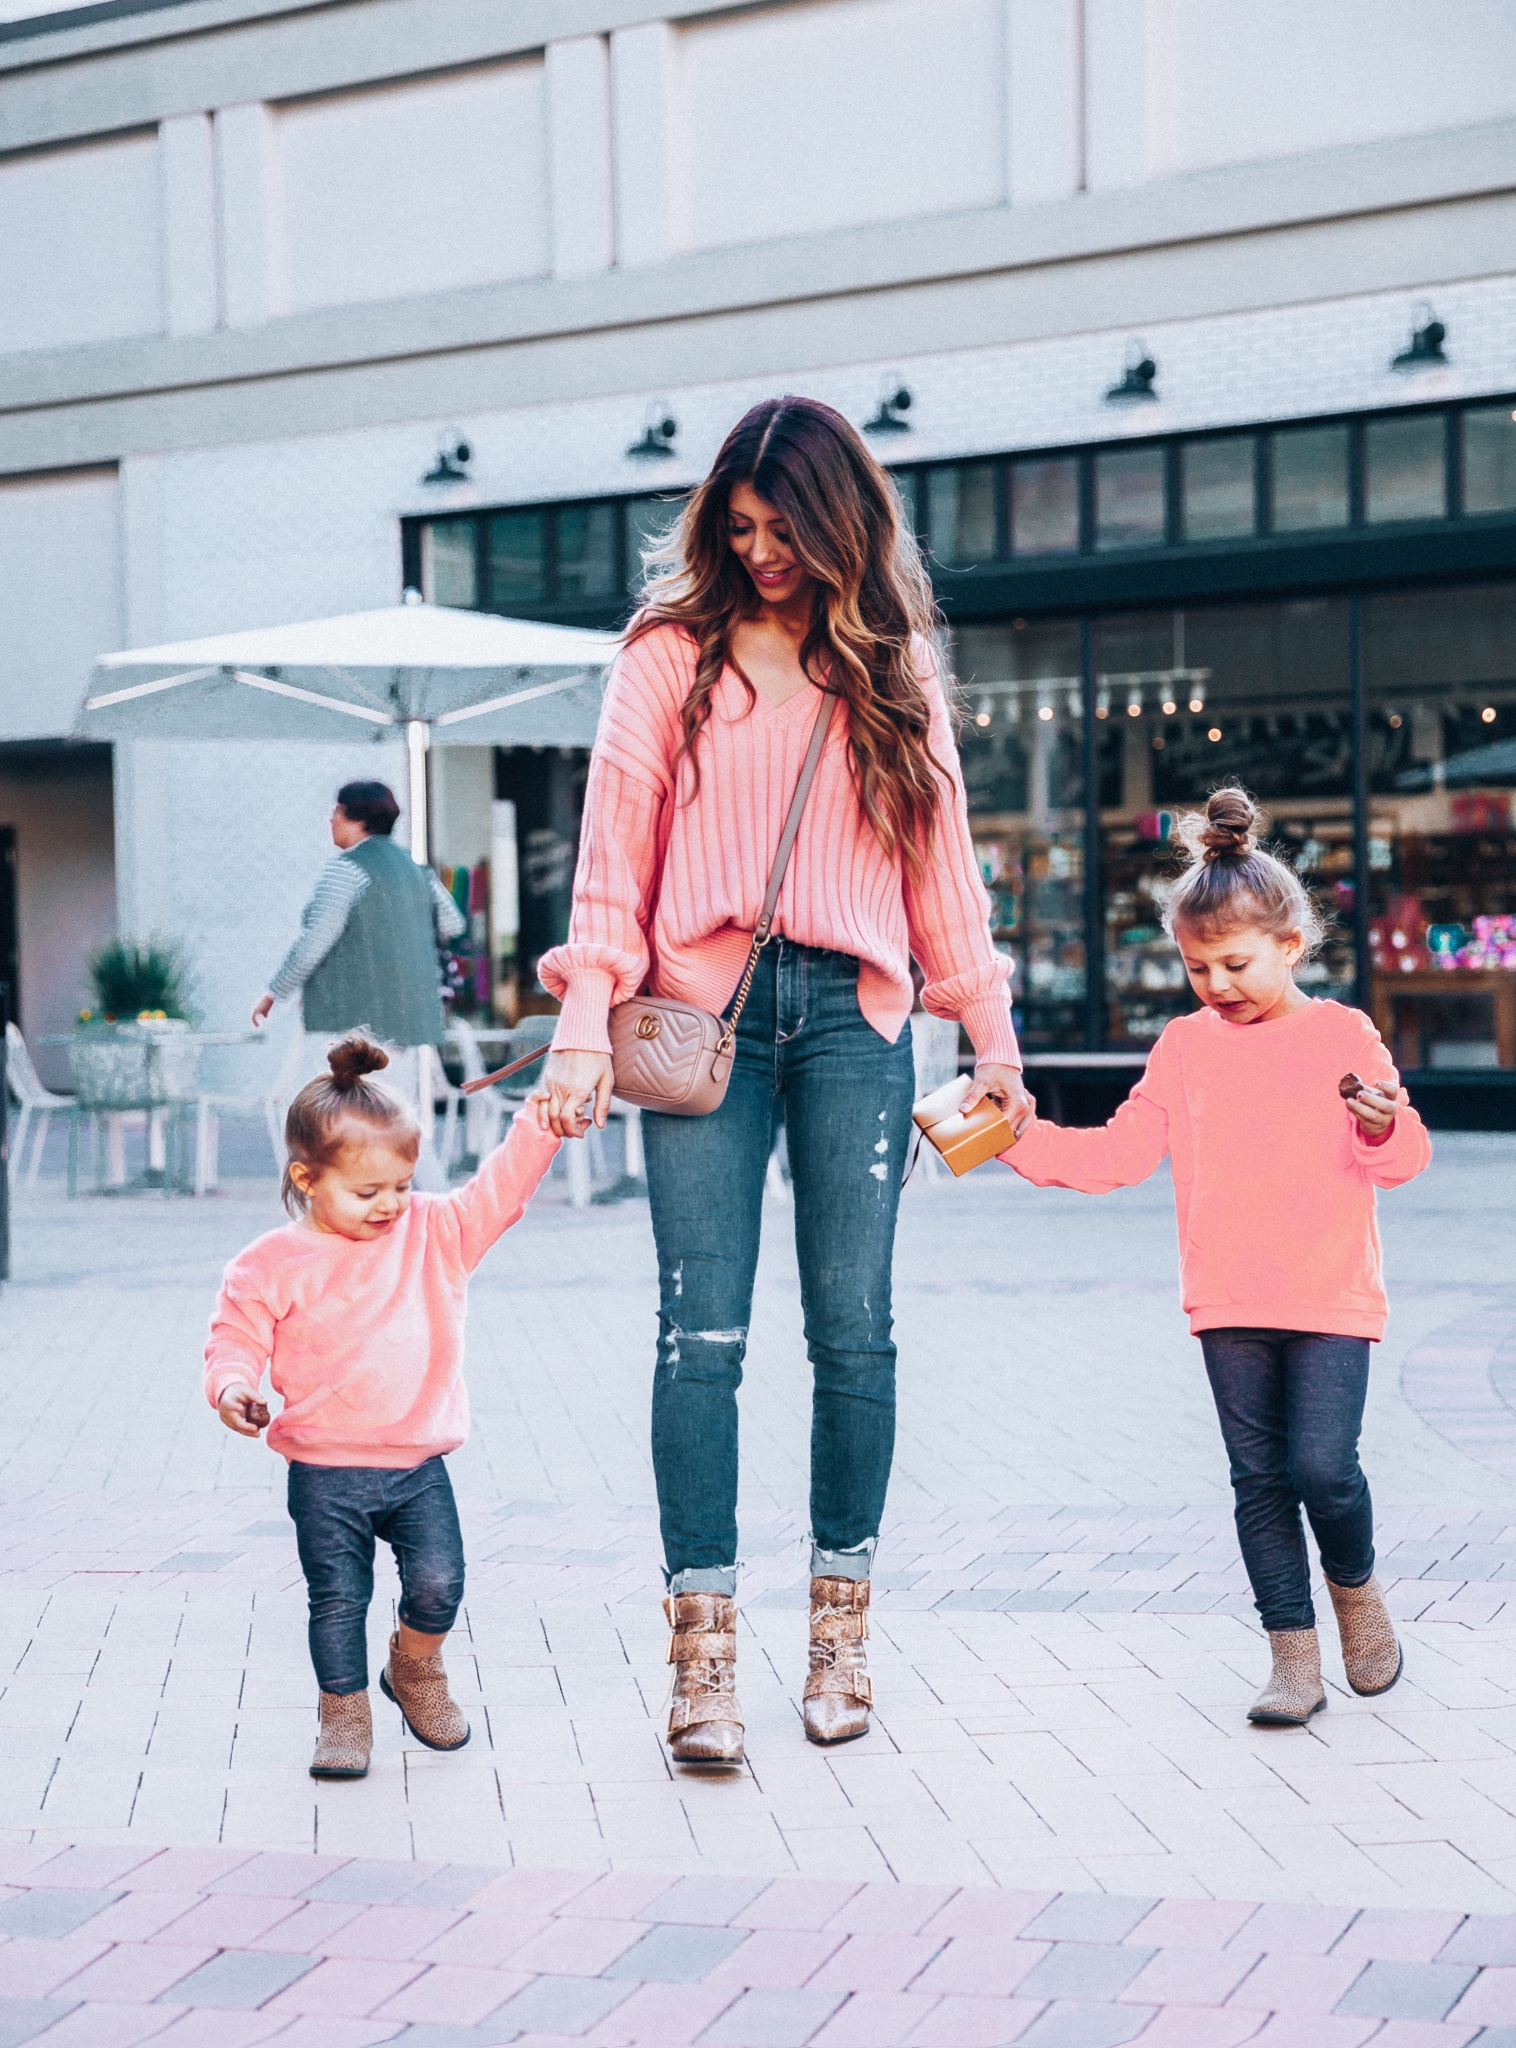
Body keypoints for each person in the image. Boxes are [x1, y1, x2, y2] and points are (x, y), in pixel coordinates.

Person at [533, 395, 1031, 1765]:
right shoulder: (664, 657)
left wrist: (992, 1035)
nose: (759, 552)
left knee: (853, 1332)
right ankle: (700, 1666)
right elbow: (610, 856)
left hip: (856, 1022)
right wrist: (585, 1015)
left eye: (783, 528)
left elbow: (943, 866)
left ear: (839, 521)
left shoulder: (893, 665)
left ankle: (839, 1645)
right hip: (704, 1015)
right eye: (738, 528)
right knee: (702, 1335)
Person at [1000, 787, 1431, 1727]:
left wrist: (1384, 1126)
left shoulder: (1342, 1034)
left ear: (1290, 945)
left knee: (1326, 1468)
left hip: (1330, 1296)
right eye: (1198, 969)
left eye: (1235, 964)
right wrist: (1015, 1138)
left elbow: (1400, 1161)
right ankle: (1291, 1660)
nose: (1217, 985)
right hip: (1229, 1299)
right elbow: (1118, 1154)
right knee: (1259, 1480)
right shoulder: (1186, 1046)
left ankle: (1355, 1592)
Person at [204, 1032, 561, 1779]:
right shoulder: (268, 1263)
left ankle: (415, 1668)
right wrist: (234, 1388)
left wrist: (547, 1111)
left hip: (416, 1463)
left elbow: (504, 1183)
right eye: (366, 1192)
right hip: (325, 1470)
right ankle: (344, 1715)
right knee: (337, 1601)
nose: (390, 1206)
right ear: (307, 1177)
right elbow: (233, 1340)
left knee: (438, 1584)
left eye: (400, 1184)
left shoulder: (436, 1232)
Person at [252, 781, 466, 1150]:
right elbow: (453, 924)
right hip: (410, 1015)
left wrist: (276, 991)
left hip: (355, 1016)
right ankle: (415, 1194)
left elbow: (315, 939)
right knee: (398, 1117)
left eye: (336, 811)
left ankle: (363, 1192)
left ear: (358, 820)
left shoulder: (346, 871)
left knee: (351, 1120)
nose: (330, 819)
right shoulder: (417, 871)